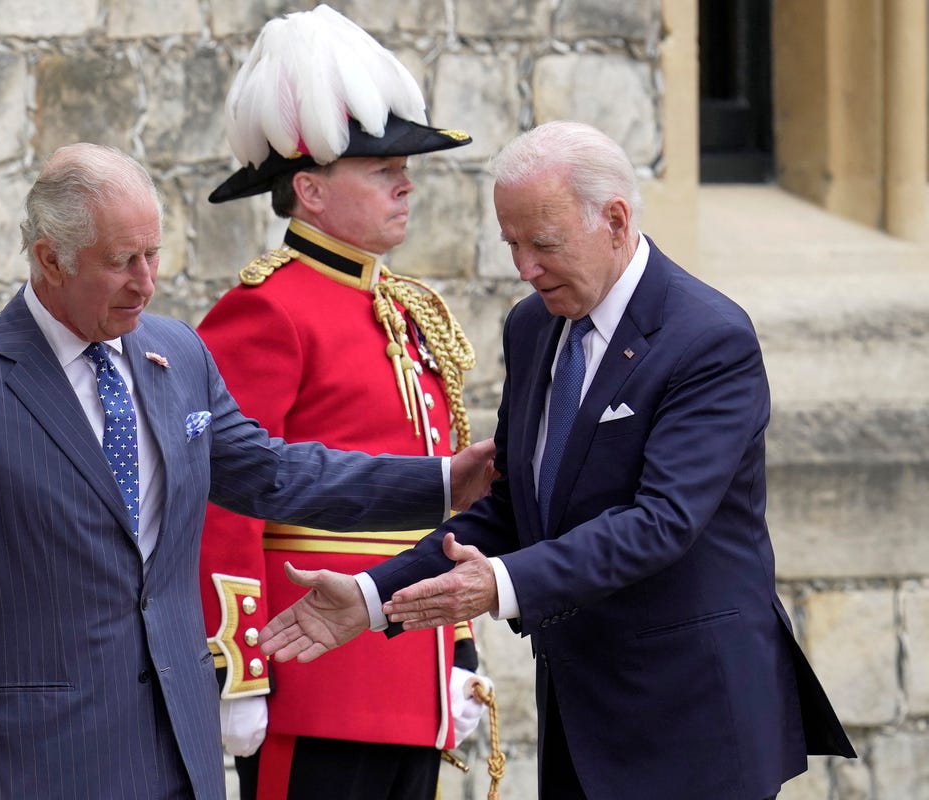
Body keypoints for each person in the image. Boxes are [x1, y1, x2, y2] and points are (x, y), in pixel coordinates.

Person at [0, 142, 495, 799]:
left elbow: (273, 475)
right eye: (121, 261)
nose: (145, 282)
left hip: (175, 744)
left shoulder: (177, 355)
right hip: (28, 757)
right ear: (50, 259)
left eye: (153, 254)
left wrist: (440, 482)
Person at [260, 120, 858, 800]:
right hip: (580, 714)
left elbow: (662, 521)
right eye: (511, 243)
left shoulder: (708, 339)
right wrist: (371, 597)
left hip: (692, 719)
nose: (524, 268)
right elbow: (514, 508)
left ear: (615, 220)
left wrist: (500, 585)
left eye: (542, 244)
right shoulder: (533, 325)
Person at [195, 7, 492, 800]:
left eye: (404, 163)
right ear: (310, 190)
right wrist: (239, 668)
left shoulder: (405, 306)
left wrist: (457, 650)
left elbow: (442, 508)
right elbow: (226, 500)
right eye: (381, 167)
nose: (406, 180)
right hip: (316, 679)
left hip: (410, 667)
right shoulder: (267, 308)